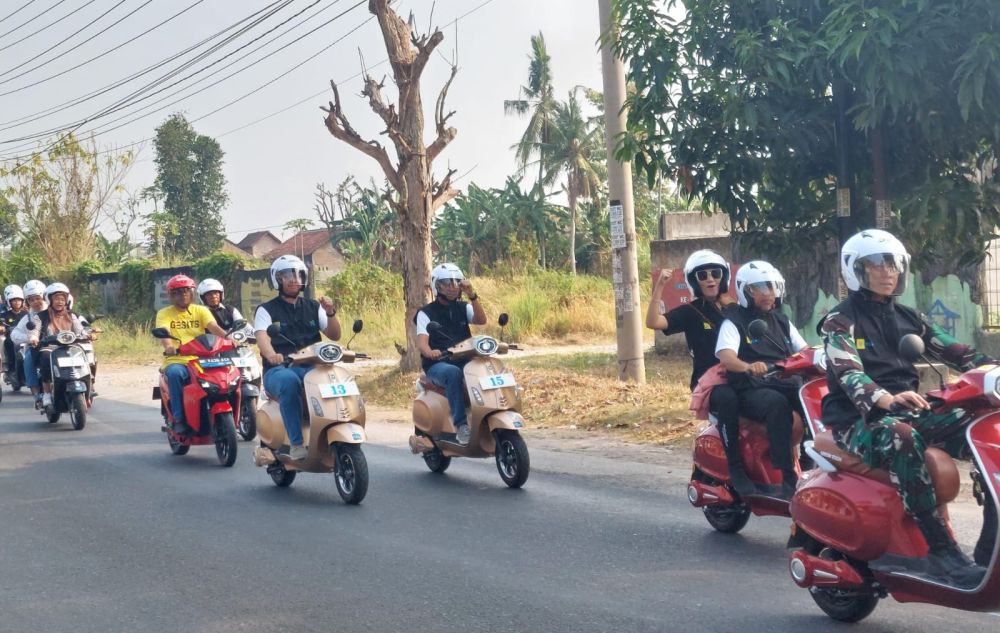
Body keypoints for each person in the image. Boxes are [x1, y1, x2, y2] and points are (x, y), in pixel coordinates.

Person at [821, 229, 988, 587]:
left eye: (894, 264)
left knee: (979, 427)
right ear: (856, 271)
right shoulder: (840, 321)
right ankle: (940, 551)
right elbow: (849, 373)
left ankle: (992, 535)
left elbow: (959, 353)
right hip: (860, 420)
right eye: (876, 265)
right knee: (903, 437)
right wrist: (883, 397)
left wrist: (991, 371)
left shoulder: (909, 318)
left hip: (911, 407)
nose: (888, 272)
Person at [646, 250, 758, 494]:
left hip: (739, 375)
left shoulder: (737, 310)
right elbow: (654, 323)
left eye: (715, 273)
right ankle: (736, 469)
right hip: (710, 384)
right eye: (702, 275)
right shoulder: (690, 312)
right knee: (728, 398)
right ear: (694, 281)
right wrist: (659, 288)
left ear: (724, 277)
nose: (710, 279)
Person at [715, 260, 809, 500]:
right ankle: (788, 477)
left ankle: (813, 468)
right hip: (751, 388)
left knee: (816, 403)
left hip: (785, 381)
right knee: (777, 404)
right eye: (761, 288)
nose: (769, 293)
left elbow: (804, 350)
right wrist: (748, 367)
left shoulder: (781, 320)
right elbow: (726, 356)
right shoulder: (734, 320)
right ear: (746, 291)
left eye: (772, 287)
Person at [254, 255, 340, 461]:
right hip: (280, 369)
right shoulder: (266, 310)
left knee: (337, 377)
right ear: (277, 279)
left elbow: (335, 335)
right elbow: (262, 338)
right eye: (287, 275)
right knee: (289, 381)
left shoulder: (313, 306)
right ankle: (296, 443)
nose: (293, 279)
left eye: (298, 274)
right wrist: (271, 355)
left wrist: (330, 313)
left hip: (312, 365)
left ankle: (335, 427)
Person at [415, 263, 487, 446]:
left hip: (464, 358)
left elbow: (481, 320)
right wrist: (430, 352)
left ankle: (487, 415)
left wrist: (472, 295)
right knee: (453, 374)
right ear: (436, 286)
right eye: (446, 283)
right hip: (438, 363)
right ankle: (461, 425)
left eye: (457, 282)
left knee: (486, 367)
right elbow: (422, 343)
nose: (453, 287)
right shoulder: (426, 313)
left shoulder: (463, 307)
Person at [155, 274, 227, 433]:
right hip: (178, 359)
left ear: (193, 293)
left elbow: (213, 327)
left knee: (227, 374)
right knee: (175, 374)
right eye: (178, 292)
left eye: (187, 291)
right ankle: (179, 418)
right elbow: (165, 333)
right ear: (171, 295)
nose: (183, 295)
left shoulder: (201, 310)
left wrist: (228, 338)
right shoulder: (164, 314)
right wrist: (168, 346)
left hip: (203, 358)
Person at [10, 279, 49, 406]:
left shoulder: (54, 311)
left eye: (38, 298)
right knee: (28, 359)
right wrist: (30, 338)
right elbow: (14, 335)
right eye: (31, 300)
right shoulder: (27, 318)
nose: (36, 302)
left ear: (45, 296)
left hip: (59, 346)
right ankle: (36, 394)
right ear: (27, 302)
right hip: (38, 348)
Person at [1, 285, 27, 378]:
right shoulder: (4, 315)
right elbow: (1, 325)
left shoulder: (27, 314)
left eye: (19, 300)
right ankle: (8, 363)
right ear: (9, 302)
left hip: (24, 338)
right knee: (5, 341)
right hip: (11, 338)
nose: (17, 302)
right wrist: (2, 328)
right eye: (14, 300)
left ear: (22, 301)